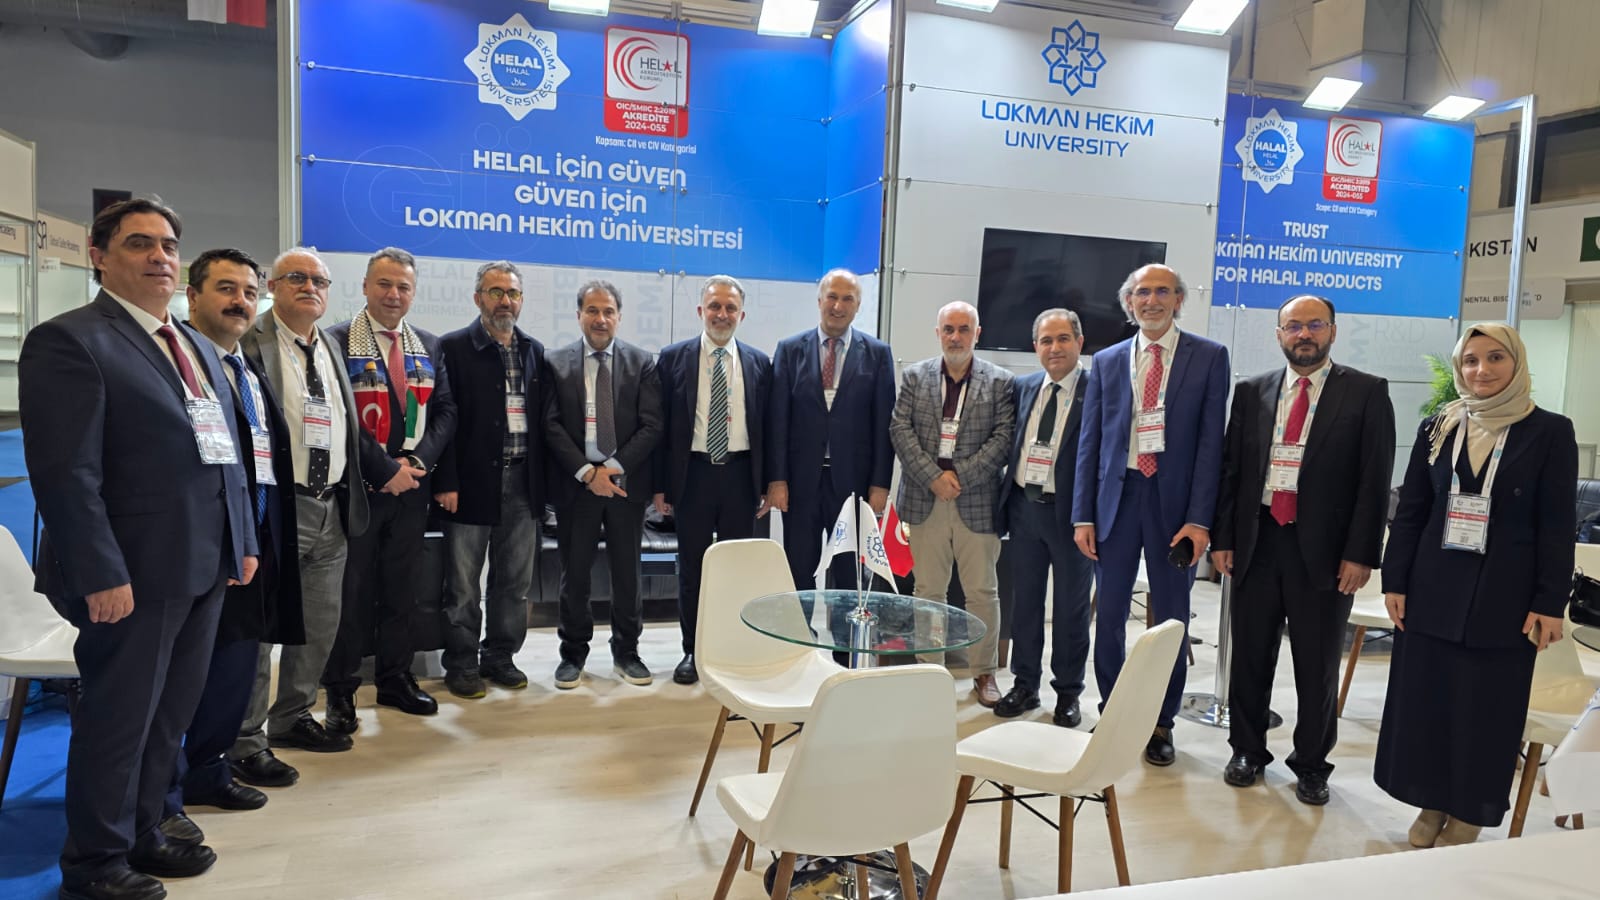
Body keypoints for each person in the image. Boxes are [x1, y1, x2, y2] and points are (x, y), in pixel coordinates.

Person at [21, 199, 257, 900]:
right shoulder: (70, 341)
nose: (159, 256)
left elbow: (224, 452)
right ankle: (94, 863)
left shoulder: (191, 344)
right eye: (138, 243)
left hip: (204, 562)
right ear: (99, 256)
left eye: (168, 244)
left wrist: (241, 539)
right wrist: (100, 571)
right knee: (118, 721)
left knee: (169, 715)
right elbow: (67, 474)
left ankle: (146, 828)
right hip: (131, 572)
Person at [1375, 322, 1576, 847]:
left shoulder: (1550, 431)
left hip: (1506, 597)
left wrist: (1550, 602)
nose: (1481, 370)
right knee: (1429, 701)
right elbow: (1412, 510)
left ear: (1516, 363)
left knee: (1486, 708)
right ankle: (1431, 800)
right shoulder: (1438, 427)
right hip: (1432, 589)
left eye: (1494, 358)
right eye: (1470, 360)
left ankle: (1469, 810)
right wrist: (1394, 580)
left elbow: (1558, 525)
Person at [1211, 294, 1395, 806]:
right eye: (1293, 326)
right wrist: (1223, 540)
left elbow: (1374, 480)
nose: (1304, 334)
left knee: (1316, 665)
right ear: (1279, 334)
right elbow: (1232, 473)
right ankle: (1247, 750)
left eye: (1315, 325)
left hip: (1326, 554)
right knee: (1250, 657)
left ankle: (1312, 764)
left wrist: (1361, 554)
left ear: (1333, 331)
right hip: (1257, 542)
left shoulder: (1366, 392)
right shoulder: (1251, 391)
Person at [165, 250, 304, 829]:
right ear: (192, 295)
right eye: (226, 289)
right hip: (201, 548)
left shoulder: (243, 368)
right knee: (185, 680)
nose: (240, 301)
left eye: (249, 292)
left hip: (252, 539)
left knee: (235, 664)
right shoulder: (177, 361)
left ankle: (208, 769)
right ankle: (162, 798)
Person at [1072, 264, 1228, 766]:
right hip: (1116, 503)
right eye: (1143, 292)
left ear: (1179, 300)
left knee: (1171, 620)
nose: (1152, 300)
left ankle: (1161, 722)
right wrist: (1082, 515)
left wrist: (1200, 520)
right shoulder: (1108, 360)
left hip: (1175, 510)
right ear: (1129, 302)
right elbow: (1091, 443)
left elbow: (1212, 446)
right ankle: (1114, 712)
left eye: (1163, 291)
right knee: (1110, 616)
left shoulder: (1209, 357)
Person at [232, 247, 371, 772]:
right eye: (297, 278)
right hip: (276, 507)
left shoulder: (330, 344)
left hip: (331, 504)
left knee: (318, 625)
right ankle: (245, 739)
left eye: (319, 280)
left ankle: (292, 717)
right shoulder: (249, 341)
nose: (310, 287)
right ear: (272, 286)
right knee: (260, 631)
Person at [323, 247, 456, 722]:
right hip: (361, 488)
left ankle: (395, 678)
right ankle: (341, 687)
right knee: (352, 592)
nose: (393, 294)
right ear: (364, 287)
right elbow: (340, 414)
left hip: (412, 489)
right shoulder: (335, 341)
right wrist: (385, 470)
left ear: (413, 293)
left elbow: (445, 412)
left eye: (403, 286)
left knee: (404, 589)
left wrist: (415, 463)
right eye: (384, 284)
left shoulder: (429, 345)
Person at [889, 301, 1015, 705]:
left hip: (977, 500)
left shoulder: (1001, 382)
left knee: (982, 592)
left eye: (964, 329)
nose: (955, 337)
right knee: (929, 591)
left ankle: (984, 672)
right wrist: (933, 477)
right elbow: (900, 430)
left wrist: (958, 476)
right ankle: (930, 669)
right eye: (948, 329)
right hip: (925, 498)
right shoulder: (915, 376)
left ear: (977, 333)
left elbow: (1003, 439)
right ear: (938, 333)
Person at [433, 261, 548, 699]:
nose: (505, 301)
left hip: (522, 483)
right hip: (469, 484)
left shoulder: (534, 351)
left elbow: (543, 424)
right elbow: (443, 421)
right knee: (463, 584)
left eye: (513, 293)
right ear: (478, 297)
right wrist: (446, 480)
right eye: (496, 292)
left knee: (514, 583)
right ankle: (462, 661)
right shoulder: (452, 348)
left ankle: (500, 656)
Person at [653, 275, 772, 685]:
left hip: (741, 476)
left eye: (730, 308)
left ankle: (733, 649)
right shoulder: (672, 358)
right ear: (701, 311)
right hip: (693, 475)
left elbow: (769, 428)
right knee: (693, 569)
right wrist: (660, 485)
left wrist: (769, 483)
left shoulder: (759, 363)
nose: (722, 314)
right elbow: (661, 428)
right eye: (715, 306)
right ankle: (693, 650)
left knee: (738, 570)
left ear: (742, 315)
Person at [543, 280, 663, 688]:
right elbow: (551, 425)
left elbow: (652, 425)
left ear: (619, 316)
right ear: (578, 315)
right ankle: (572, 654)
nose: (600, 319)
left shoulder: (642, 362)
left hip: (625, 484)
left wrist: (611, 468)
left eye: (608, 311)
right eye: (592, 311)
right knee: (574, 574)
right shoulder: (555, 362)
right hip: (577, 485)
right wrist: (587, 472)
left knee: (627, 574)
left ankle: (627, 652)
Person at [767, 269, 896, 602]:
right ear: (819, 300)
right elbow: (778, 420)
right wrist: (777, 480)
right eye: (832, 297)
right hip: (800, 484)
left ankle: (844, 638)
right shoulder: (789, 350)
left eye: (847, 299)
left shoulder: (878, 354)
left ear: (858, 305)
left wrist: (880, 484)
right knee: (800, 570)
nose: (838, 306)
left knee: (847, 577)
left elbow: (884, 424)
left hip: (854, 486)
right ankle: (801, 634)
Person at [994, 308, 1093, 727]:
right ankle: (1025, 684)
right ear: (1035, 346)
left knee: (1070, 610)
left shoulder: (1098, 390)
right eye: (1046, 340)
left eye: (1063, 339)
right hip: (1024, 509)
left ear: (1079, 343)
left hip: (1073, 518)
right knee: (1025, 605)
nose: (1055, 348)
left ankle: (1068, 693)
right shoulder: (1024, 386)